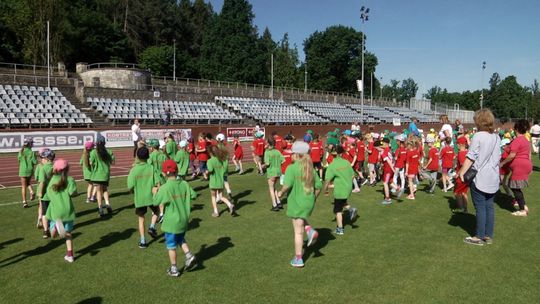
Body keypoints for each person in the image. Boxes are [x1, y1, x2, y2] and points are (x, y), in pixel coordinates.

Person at [458, 109, 500, 246]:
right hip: (493, 177)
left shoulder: (478, 136)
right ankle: (488, 235)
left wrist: (462, 172)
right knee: (489, 207)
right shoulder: (496, 137)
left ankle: (479, 236)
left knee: (480, 207)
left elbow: (471, 157)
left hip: (480, 176)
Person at [277, 141, 322, 268]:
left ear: (297, 155)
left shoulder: (291, 168)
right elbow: (318, 186)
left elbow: (288, 185)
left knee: (297, 232)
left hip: (296, 202)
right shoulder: (310, 168)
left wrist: (280, 193)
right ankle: (310, 230)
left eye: (292, 153)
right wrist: (313, 198)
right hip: (308, 202)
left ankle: (298, 258)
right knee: (301, 221)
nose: (291, 156)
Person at [153, 160, 197, 277]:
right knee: (181, 239)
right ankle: (189, 255)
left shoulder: (165, 187)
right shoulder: (184, 184)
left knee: (171, 246)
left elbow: (156, 201)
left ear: (163, 173)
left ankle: (174, 268)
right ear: (177, 170)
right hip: (184, 219)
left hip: (172, 222)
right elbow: (194, 195)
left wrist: (155, 192)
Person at [45, 159, 77, 262]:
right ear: (67, 169)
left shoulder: (51, 181)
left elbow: (49, 196)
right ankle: (70, 255)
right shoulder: (70, 180)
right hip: (68, 211)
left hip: (56, 211)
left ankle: (55, 227)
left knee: (53, 236)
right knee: (68, 234)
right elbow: (73, 193)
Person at [128, 147, 159, 248]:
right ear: (148, 156)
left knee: (141, 219)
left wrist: (133, 191)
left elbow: (130, 186)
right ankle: (152, 226)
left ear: (137, 156)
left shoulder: (134, 169)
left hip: (140, 198)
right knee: (157, 211)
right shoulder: (151, 167)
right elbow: (157, 182)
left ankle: (143, 240)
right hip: (151, 197)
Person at [500, 120, 533, 217]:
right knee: (515, 186)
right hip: (525, 164)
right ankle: (523, 206)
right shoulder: (526, 140)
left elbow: (512, 155)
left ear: (517, 129)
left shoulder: (517, 140)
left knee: (514, 186)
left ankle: (522, 209)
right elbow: (528, 153)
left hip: (519, 166)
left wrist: (502, 163)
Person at [324, 145, 358, 234]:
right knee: (343, 202)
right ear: (341, 153)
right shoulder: (346, 162)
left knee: (337, 210)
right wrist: (346, 183)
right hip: (348, 188)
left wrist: (326, 190)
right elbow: (352, 175)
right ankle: (350, 209)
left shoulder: (332, 166)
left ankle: (340, 229)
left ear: (331, 154)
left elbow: (327, 180)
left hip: (340, 190)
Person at [207, 145, 236, 217]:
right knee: (221, 196)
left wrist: (206, 173)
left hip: (213, 182)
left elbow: (210, 170)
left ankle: (216, 212)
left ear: (210, 153)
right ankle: (230, 205)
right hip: (220, 181)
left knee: (213, 196)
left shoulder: (209, 161)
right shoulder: (221, 160)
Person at [90, 136, 115, 218]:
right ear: (104, 143)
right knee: (104, 190)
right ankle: (107, 204)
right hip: (105, 174)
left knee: (98, 191)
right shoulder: (109, 151)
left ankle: (100, 208)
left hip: (97, 175)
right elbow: (113, 162)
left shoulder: (93, 152)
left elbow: (91, 163)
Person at [36, 148, 55, 238]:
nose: (41, 159)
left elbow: (42, 182)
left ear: (47, 159)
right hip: (54, 194)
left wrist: (40, 193)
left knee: (44, 213)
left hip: (45, 195)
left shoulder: (43, 168)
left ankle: (45, 230)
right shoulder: (56, 167)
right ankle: (54, 228)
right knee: (54, 212)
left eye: (43, 158)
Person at [264, 138, 285, 211]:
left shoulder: (267, 152)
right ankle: (279, 202)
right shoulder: (277, 151)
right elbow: (283, 160)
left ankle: (274, 204)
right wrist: (277, 165)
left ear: (268, 144)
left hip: (271, 172)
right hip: (278, 172)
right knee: (273, 187)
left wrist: (262, 166)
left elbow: (267, 163)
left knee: (271, 188)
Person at [18, 137, 37, 208]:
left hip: (22, 170)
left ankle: (24, 202)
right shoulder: (32, 152)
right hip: (30, 170)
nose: (32, 144)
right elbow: (35, 162)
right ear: (29, 144)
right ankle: (31, 191)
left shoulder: (21, 151)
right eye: (32, 143)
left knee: (23, 186)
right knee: (27, 183)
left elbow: (19, 160)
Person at [453, 136, 469, 213]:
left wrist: (458, 174)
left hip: (461, 176)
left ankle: (461, 208)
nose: (457, 145)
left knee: (457, 193)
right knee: (464, 193)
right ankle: (465, 208)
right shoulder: (467, 152)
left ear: (461, 144)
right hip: (467, 176)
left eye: (457, 144)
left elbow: (463, 165)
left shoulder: (461, 153)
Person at [379, 138, 397, 204]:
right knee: (389, 181)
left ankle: (387, 199)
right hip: (389, 168)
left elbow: (388, 161)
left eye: (382, 143)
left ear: (385, 143)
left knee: (385, 183)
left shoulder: (385, 151)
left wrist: (392, 169)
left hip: (388, 169)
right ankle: (398, 188)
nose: (381, 144)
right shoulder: (389, 149)